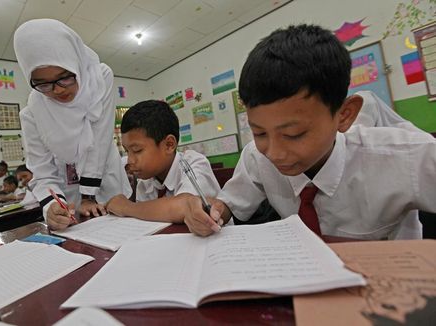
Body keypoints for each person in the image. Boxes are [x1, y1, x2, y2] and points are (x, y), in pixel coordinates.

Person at [184, 24, 436, 239]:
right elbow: (229, 202)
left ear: (344, 115)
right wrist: (209, 213)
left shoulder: (409, 156)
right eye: (259, 133)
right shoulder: (256, 157)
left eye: (294, 134)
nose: (275, 152)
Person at [13, 19, 130, 230]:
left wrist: (88, 195)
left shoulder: (99, 79)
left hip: (107, 182)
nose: (57, 90)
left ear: (76, 63)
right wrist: (51, 207)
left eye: (64, 77)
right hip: (69, 199)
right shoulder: (33, 112)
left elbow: (100, 141)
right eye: (43, 84)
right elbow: (42, 170)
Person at [105, 100, 221, 223]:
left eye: (137, 150)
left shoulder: (194, 163)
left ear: (169, 145)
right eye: (127, 151)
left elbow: (184, 207)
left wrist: (126, 207)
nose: (130, 160)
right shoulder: (146, 182)